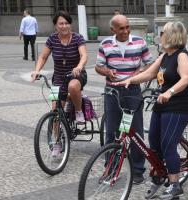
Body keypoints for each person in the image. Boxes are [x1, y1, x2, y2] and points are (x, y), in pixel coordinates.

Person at [114, 21, 188, 199]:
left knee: (168, 145)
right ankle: (158, 179)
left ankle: (174, 185)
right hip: (161, 105)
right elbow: (149, 73)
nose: (160, 35)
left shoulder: (181, 56)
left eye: (162, 32)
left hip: (178, 106)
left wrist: (170, 92)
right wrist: (129, 80)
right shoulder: (165, 56)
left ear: (172, 35)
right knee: (154, 145)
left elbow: (186, 79)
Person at [95, 14, 154, 184]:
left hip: (133, 90)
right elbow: (99, 67)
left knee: (135, 131)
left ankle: (137, 170)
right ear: (113, 30)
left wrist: (138, 73)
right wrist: (107, 72)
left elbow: (150, 64)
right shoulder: (105, 44)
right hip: (112, 91)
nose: (126, 31)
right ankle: (111, 168)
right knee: (112, 131)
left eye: (127, 27)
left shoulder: (139, 42)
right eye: (122, 28)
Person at [31, 11, 88, 156]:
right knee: (56, 110)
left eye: (67, 23)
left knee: (73, 86)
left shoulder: (77, 38)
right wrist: (36, 70)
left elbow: (84, 55)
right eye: (61, 23)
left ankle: (79, 111)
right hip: (58, 78)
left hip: (76, 74)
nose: (64, 26)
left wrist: (79, 66)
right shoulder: (52, 39)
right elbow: (43, 56)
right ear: (56, 25)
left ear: (70, 24)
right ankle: (57, 142)